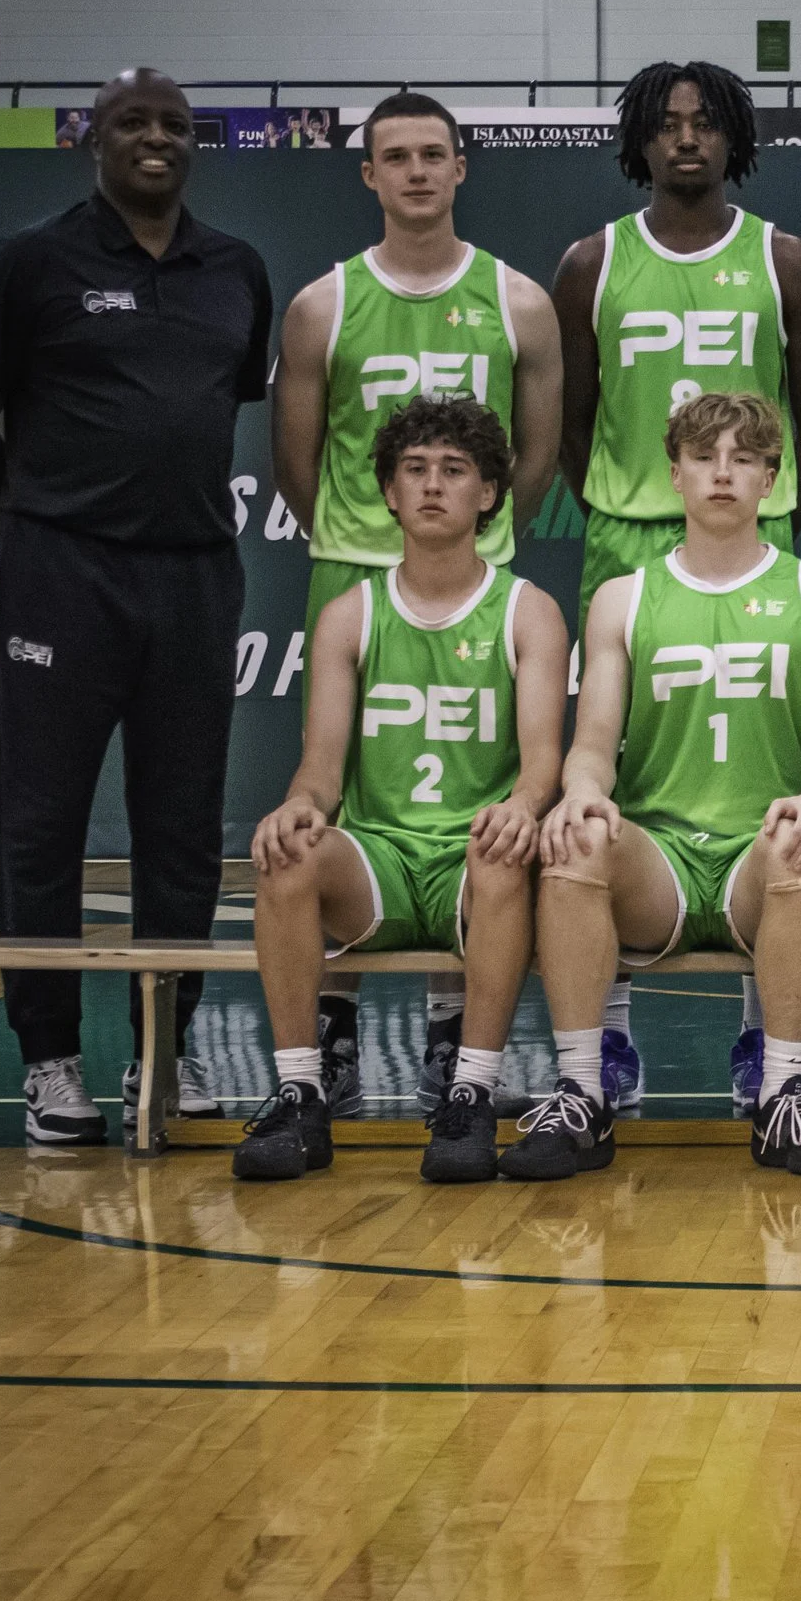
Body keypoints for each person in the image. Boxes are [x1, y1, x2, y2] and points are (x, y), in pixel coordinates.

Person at [0, 67, 274, 1146]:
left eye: (177, 126)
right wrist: (31, 531)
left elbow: (222, 405)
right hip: (61, 577)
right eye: (135, 122)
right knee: (43, 825)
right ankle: (50, 1065)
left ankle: (165, 1058)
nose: (158, 139)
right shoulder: (30, 262)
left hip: (192, 576)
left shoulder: (237, 271)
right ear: (93, 138)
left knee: (180, 832)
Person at [552, 61, 801, 1120]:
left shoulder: (786, 261)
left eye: (705, 123)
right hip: (631, 535)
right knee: (613, 779)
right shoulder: (591, 262)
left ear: (735, 139)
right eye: (667, 124)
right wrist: (629, 501)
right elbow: (574, 417)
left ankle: (767, 1033)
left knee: (773, 763)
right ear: (640, 141)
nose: (686, 140)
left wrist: (773, 517)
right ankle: (610, 1035)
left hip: (751, 534)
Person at [271, 91, 562, 1119]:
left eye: (433, 154)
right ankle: (330, 1041)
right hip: (354, 563)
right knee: (343, 795)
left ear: (461, 167)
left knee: (476, 794)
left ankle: (456, 1044)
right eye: (394, 157)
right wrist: (369, 532)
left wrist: (470, 532)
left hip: (474, 569)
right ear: (368, 175)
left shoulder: (518, 300)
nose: (416, 172)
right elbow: (297, 459)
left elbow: (534, 453)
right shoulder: (323, 304)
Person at [533, 391, 801, 1178]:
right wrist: (583, 790)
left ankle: (782, 1098)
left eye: (744, 458)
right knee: (579, 833)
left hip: (760, 861)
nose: (722, 472)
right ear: (675, 476)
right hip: (655, 862)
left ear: (771, 479)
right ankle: (582, 1094)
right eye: (704, 457)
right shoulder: (623, 599)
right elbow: (591, 745)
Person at [233, 398, 568, 1183]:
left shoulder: (528, 611)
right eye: (413, 470)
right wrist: (296, 809)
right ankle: (300, 1092)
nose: (431, 486)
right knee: (287, 857)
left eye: (454, 471)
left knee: (503, 851)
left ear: (489, 493)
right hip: (379, 857)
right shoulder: (351, 615)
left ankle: (471, 1095)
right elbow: (321, 771)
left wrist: (521, 808)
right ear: (386, 491)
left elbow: (542, 763)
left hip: (468, 860)